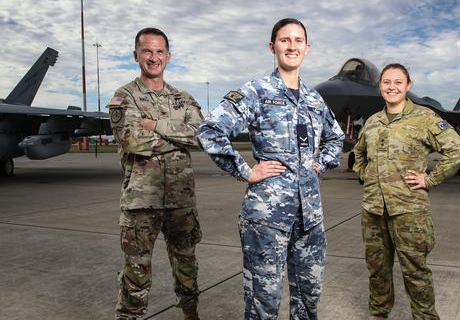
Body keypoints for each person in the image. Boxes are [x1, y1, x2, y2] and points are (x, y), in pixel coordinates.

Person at [197, 18, 344, 319]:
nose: (292, 46)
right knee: (263, 302)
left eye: (298, 40)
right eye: (284, 40)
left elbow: (336, 137)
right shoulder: (257, 91)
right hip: (267, 218)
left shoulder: (315, 99)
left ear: (307, 47)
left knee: (308, 298)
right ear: (272, 46)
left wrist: (320, 164)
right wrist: (246, 171)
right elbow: (210, 129)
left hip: (309, 219)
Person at [353, 63, 460, 320]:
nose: (391, 87)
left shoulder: (424, 118)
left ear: (408, 86)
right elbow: (358, 154)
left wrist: (430, 179)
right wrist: (366, 174)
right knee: (377, 270)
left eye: (398, 82)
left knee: (416, 273)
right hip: (373, 211)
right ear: (380, 86)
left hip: (409, 211)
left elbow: (457, 150)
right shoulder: (373, 122)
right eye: (386, 82)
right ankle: (378, 314)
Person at [108, 27, 203, 320]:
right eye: (147, 51)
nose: (153, 57)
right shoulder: (124, 96)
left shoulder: (183, 98)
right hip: (141, 202)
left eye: (159, 51)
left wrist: (154, 125)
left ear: (168, 57)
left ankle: (191, 315)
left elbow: (201, 136)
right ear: (136, 55)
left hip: (180, 200)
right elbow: (132, 140)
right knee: (136, 271)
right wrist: (177, 136)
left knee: (186, 265)